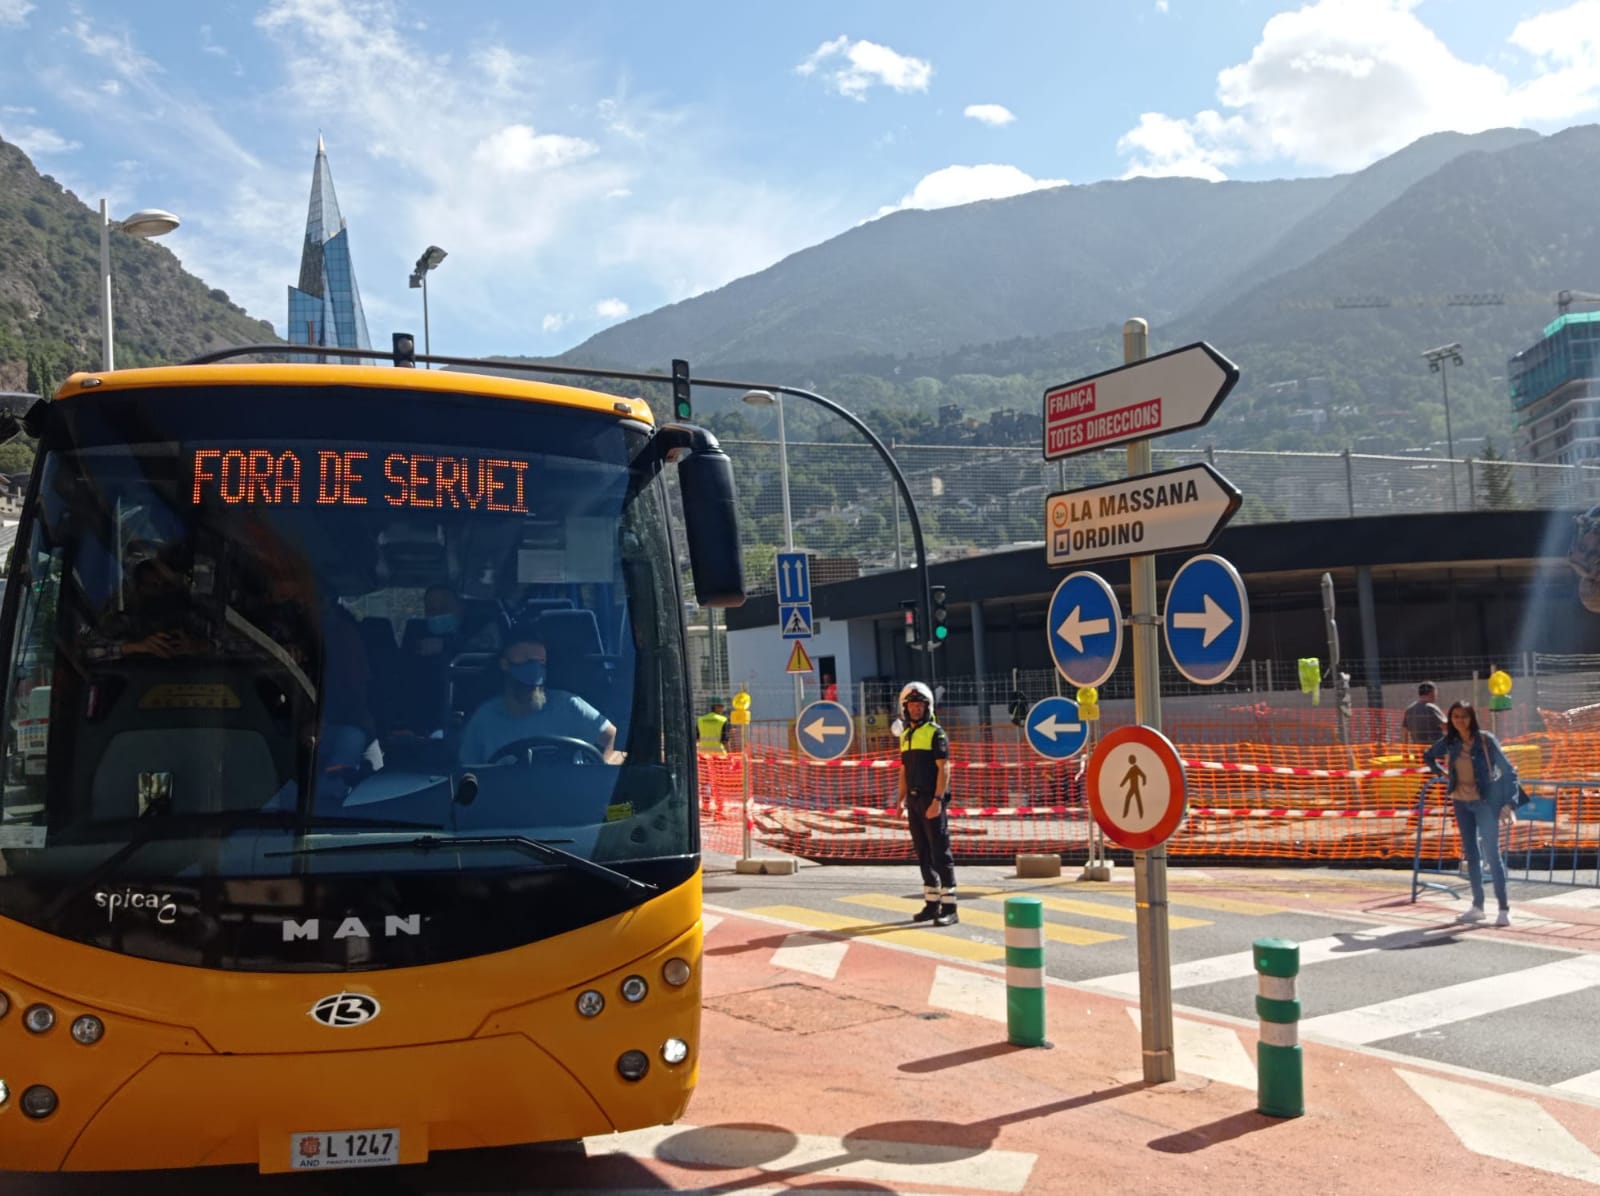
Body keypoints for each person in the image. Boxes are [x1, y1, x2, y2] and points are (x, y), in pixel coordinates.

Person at [1423, 700, 1517, 927]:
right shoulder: (1451, 741)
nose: (1460, 721)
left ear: (1472, 718)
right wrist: (1445, 775)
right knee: (1472, 855)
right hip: (1461, 803)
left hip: (1485, 803)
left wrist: (1510, 803)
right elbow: (1428, 755)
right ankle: (1478, 906)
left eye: (1464, 716)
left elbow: (1509, 771)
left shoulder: (1485, 740)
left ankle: (1503, 909)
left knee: (1492, 855)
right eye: (1455, 717)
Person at [459, 635, 617, 765]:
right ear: (505, 665)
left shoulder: (568, 706)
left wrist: (602, 773)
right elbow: (466, 774)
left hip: (569, 798)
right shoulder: (484, 719)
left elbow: (614, 737)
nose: (534, 671)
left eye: (540, 663)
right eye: (527, 661)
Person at [897, 680, 957, 926]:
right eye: (911, 705)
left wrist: (938, 800)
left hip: (931, 801)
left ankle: (950, 908)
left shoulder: (936, 733)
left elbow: (944, 769)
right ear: (906, 708)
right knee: (923, 853)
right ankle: (932, 904)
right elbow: (903, 770)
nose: (915, 709)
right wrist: (899, 800)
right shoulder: (906, 735)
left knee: (940, 853)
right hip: (913, 802)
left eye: (919, 705)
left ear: (927, 707)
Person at [1401, 681, 1446, 746]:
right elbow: (1446, 727)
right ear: (1432, 692)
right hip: (1436, 752)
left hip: (1418, 753)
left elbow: (1404, 732)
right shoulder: (1432, 708)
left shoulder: (1409, 710)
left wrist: (1405, 752)